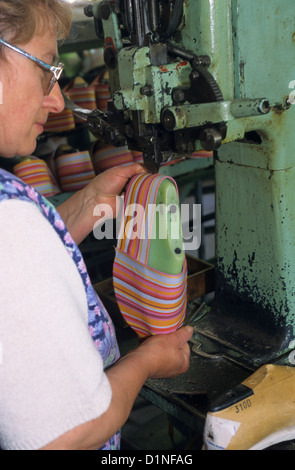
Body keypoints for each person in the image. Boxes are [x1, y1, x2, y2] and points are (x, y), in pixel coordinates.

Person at [0, 0, 192, 450]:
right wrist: (146, 361)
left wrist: (86, 205)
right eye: (46, 68)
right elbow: (68, 435)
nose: (54, 98)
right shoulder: (12, 223)